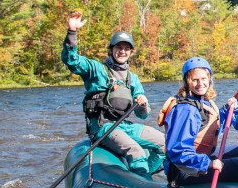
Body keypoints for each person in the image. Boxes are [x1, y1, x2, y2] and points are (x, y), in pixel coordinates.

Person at [61, 12, 165, 177]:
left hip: (125, 126)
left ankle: (142, 177)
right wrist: (72, 32)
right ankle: (142, 187)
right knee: (136, 151)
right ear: (111, 50)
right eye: (118, 47)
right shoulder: (95, 69)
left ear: (131, 52)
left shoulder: (133, 79)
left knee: (165, 145)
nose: (122, 52)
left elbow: (142, 115)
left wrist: (143, 105)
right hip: (102, 127)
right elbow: (71, 60)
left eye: (126, 48)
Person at [159, 57, 238, 188]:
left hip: (198, 157)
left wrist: (226, 110)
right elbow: (178, 151)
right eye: (195, 80)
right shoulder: (186, 110)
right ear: (187, 82)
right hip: (184, 170)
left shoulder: (202, 102)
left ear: (209, 79)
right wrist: (207, 163)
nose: (200, 83)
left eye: (203, 79)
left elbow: (211, 131)